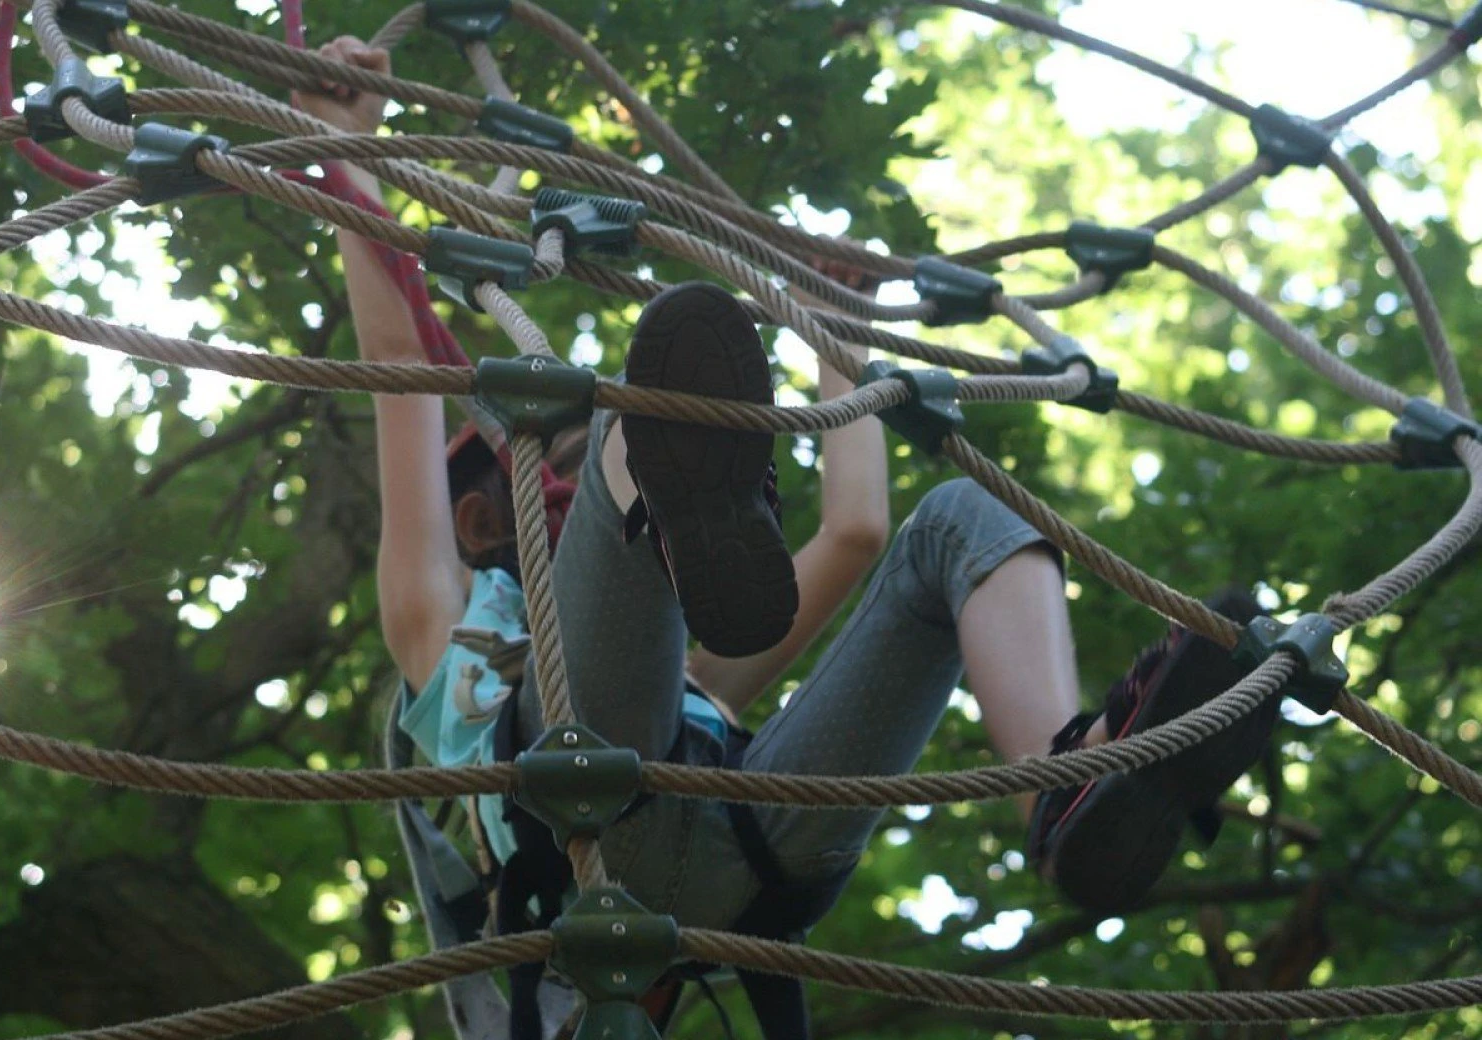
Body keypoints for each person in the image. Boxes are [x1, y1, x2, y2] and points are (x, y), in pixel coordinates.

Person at [297, 37, 1279, 1038]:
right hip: (593, 830)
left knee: (964, 520)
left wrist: (823, 334)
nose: (542, 472)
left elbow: (859, 529)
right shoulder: (440, 620)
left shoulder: (698, 671)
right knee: (634, 411)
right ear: (480, 519)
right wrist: (345, 148)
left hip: (739, 844)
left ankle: (1073, 775)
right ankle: (675, 456)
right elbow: (395, 362)